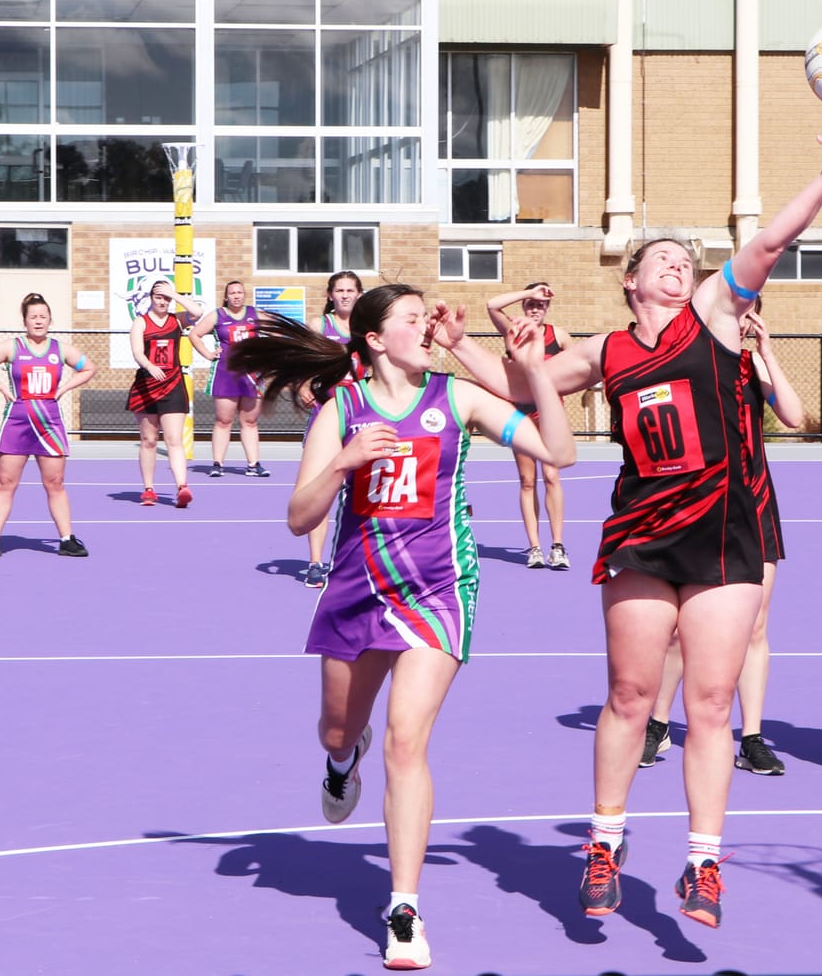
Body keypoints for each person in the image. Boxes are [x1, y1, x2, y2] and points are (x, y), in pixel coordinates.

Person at [459, 114, 822, 929]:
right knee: (632, 693)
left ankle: (704, 863)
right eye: (663, 260)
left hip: (723, 533)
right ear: (632, 277)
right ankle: (603, 841)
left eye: (686, 261)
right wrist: (455, 345)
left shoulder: (712, 315)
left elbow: (770, 244)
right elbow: (515, 380)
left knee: (709, 701)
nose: (680, 266)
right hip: (641, 530)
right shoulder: (607, 351)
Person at [229, 287, 575, 971]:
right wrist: (344, 462)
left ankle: (404, 907)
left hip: (440, 587)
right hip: (359, 588)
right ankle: (339, 757)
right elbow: (300, 518)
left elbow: (557, 451)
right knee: (338, 729)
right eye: (412, 319)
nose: (428, 325)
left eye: (428, 315)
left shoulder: (458, 398)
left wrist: (533, 369)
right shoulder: (343, 411)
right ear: (377, 340)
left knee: (406, 739)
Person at [640, 298, 806, 778]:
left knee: (755, 626)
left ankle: (750, 737)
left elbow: (794, 416)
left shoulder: (751, 365)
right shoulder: (686, 362)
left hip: (752, 503)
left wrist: (767, 351)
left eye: (750, 308)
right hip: (696, 505)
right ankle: (658, 722)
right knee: (677, 629)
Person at [0, 292, 97, 559]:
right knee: (6, 482)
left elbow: (89, 368)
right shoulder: (13, 347)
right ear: (25, 321)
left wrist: (64, 389)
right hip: (17, 421)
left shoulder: (59, 349)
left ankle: (66, 539)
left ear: (50, 319)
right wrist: (3, 388)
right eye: (33, 317)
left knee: (55, 482)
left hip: (49, 423)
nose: (38, 321)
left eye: (43, 316)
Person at [486, 282, 578, 569]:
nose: (535, 308)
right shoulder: (513, 331)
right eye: (530, 305)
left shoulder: (558, 336)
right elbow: (492, 305)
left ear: (548, 308)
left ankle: (558, 546)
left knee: (552, 476)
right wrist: (529, 292)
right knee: (527, 481)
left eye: (540, 304)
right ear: (524, 307)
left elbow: (576, 367)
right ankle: (534, 548)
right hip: (521, 416)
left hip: (549, 416)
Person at [298, 271, 364, 588]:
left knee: (364, 494)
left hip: (363, 417)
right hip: (327, 416)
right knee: (321, 492)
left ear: (360, 295)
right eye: (339, 290)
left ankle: (357, 560)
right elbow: (299, 362)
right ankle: (315, 562)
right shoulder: (318, 326)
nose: (345, 295)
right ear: (330, 295)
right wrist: (301, 385)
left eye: (351, 290)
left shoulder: (371, 328)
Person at [127, 281, 213, 508]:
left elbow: (198, 312)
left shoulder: (177, 320)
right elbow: (137, 351)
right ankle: (148, 489)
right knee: (149, 440)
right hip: (147, 385)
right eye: (158, 297)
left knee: (174, 439)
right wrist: (149, 365)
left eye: (165, 298)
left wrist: (174, 293)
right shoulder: (141, 322)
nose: (162, 301)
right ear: (151, 298)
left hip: (172, 385)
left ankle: (182, 486)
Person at [189, 280, 271, 478]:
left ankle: (253, 464)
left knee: (250, 421)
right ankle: (218, 463)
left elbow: (276, 331)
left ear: (244, 295)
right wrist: (208, 354)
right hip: (226, 372)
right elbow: (194, 334)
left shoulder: (255, 314)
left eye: (240, 292)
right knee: (224, 420)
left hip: (252, 374)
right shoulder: (218, 315)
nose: (236, 296)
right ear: (226, 296)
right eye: (232, 293)